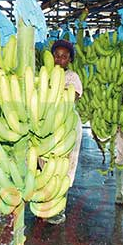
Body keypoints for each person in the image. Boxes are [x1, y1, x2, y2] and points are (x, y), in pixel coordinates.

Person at [44, 39, 83, 225]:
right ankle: (45, 206)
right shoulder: (44, 74)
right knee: (46, 168)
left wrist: (50, 89)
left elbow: (71, 97)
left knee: (64, 168)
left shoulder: (72, 77)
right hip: (45, 125)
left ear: (69, 60)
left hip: (67, 126)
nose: (60, 60)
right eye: (56, 55)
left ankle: (59, 209)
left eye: (64, 57)